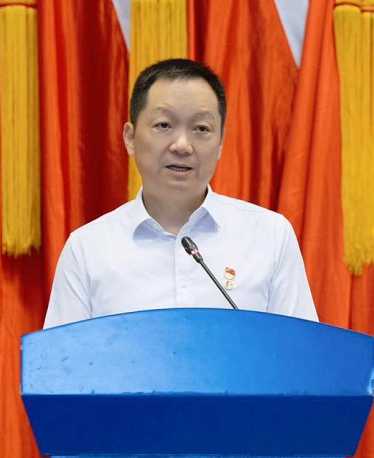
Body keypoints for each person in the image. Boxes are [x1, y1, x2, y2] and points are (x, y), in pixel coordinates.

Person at [44, 59, 317, 328]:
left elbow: (302, 350)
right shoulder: (88, 249)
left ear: (221, 142)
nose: (182, 145)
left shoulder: (270, 236)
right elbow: (62, 355)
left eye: (201, 129)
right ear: (130, 138)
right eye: (164, 125)